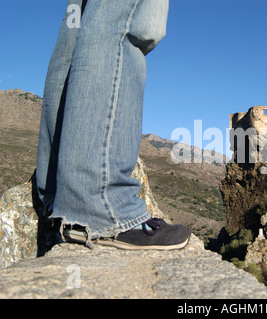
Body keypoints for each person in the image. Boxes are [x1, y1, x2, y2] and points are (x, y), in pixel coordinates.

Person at [36, 0, 191, 250]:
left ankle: (58, 197)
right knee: (126, 20)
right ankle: (98, 205)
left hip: (58, 196)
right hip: (99, 206)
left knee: (77, 28)